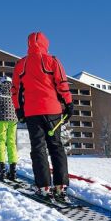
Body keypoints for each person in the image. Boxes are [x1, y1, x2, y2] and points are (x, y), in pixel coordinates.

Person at [12, 32, 74, 203]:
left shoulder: (21, 64)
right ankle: (60, 187)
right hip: (52, 111)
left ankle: (43, 187)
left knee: (38, 148)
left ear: (29, 44)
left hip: (33, 113)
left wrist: (19, 110)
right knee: (55, 146)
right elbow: (62, 83)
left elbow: (15, 90)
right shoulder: (52, 60)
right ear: (46, 44)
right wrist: (69, 104)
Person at [0, 76, 18, 180]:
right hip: (13, 119)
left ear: (1, 83)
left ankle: (1, 168)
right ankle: (13, 170)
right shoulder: (14, 92)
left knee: (1, 141)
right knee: (11, 142)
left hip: (2, 119)